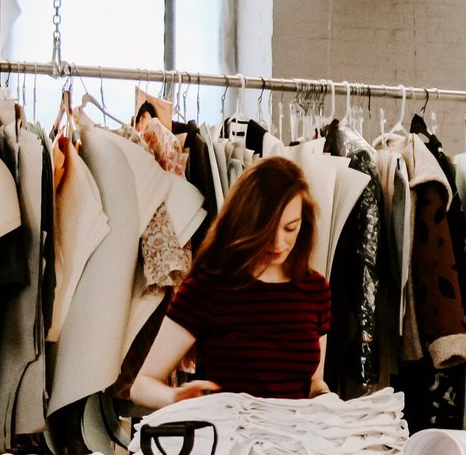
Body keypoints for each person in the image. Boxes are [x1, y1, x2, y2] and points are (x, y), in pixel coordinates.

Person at [130, 156, 331, 409]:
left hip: (294, 443)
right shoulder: (208, 288)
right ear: (246, 224)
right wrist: (178, 399)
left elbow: (314, 382)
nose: (279, 244)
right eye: (267, 231)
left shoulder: (315, 290)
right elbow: (142, 386)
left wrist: (327, 401)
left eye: (290, 228)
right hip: (228, 441)